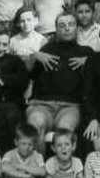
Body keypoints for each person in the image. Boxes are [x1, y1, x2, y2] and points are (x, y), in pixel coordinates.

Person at [26, 12, 93, 148]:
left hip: (70, 106)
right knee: (35, 123)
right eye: (62, 25)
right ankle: (39, 166)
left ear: (77, 28)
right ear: (56, 30)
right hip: (41, 104)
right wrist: (34, 57)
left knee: (65, 128)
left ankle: (61, 168)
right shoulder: (46, 49)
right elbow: (30, 75)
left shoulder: (87, 52)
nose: (67, 28)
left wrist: (90, 62)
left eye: (71, 25)